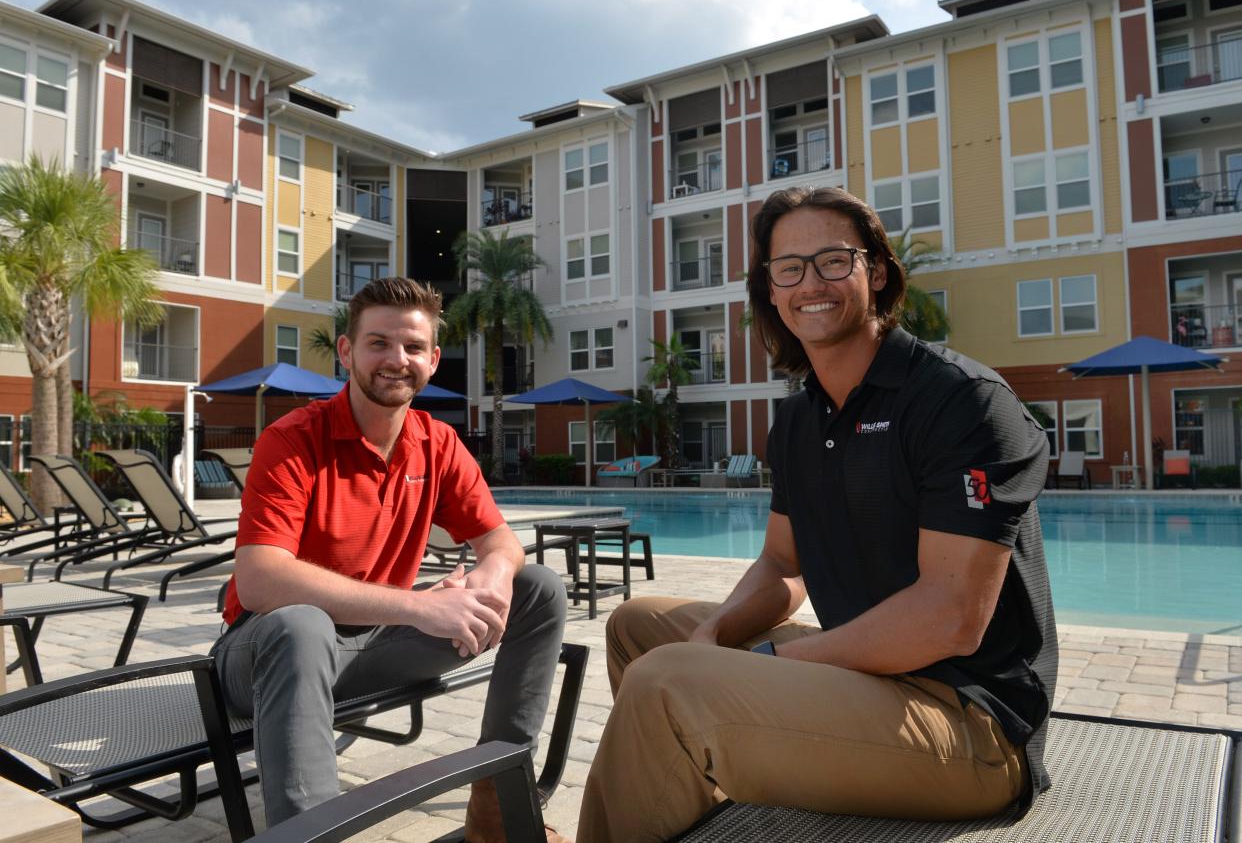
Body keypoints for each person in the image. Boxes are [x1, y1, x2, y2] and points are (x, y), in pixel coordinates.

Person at [575, 187, 1057, 842]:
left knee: (666, 681)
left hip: (966, 721)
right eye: (789, 268)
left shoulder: (961, 402)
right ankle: (684, 800)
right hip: (865, 675)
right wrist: (716, 633)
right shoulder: (800, 420)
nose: (812, 284)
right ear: (770, 289)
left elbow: (950, 617)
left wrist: (772, 662)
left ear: (876, 271)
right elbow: (783, 562)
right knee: (640, 628)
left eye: (834, 260)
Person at [212, 278, 568, 842]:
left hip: (372, 646)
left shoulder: (437, 442)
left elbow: (501, 541)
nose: (395, 360)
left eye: (412, 347)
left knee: (539, 589)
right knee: (302, 624)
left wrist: (489, 574)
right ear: (348, 351)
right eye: (378, 344)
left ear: (431, 360)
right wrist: (419, 608)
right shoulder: (293, 439)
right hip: (264, 654)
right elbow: (259, 580)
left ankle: (497, 813)